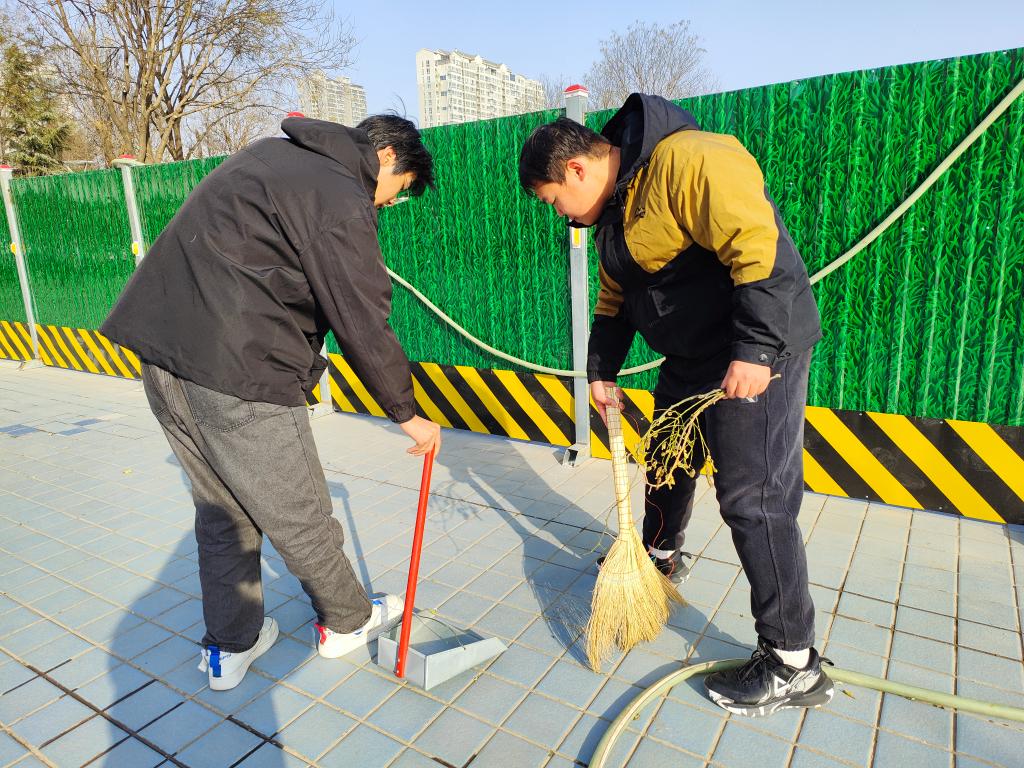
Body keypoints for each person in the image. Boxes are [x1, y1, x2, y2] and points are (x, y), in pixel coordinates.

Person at [101, 114, 442, 691]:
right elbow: (361, 316)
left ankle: (230, 646)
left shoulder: (268, 156)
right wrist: (407, 414)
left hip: (164, 361)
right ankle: (348, 621)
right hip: (240, 370)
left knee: (223, 513)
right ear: (386, 156)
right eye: (398, 190)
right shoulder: (339, 194)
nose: (387, 204)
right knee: (300, 513)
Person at [518, 94, 833, 716]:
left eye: (554, 201)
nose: (561, 216)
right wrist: (602, 370)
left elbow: (758, 246)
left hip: (752, 350)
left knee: (753, 499)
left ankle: (793, 661)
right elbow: (613, 297)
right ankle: (659, 558)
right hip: (689, 356)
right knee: (666, 461)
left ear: (576, 170)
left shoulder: (691, 159)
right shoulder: (613, 213)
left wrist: (756, 348)